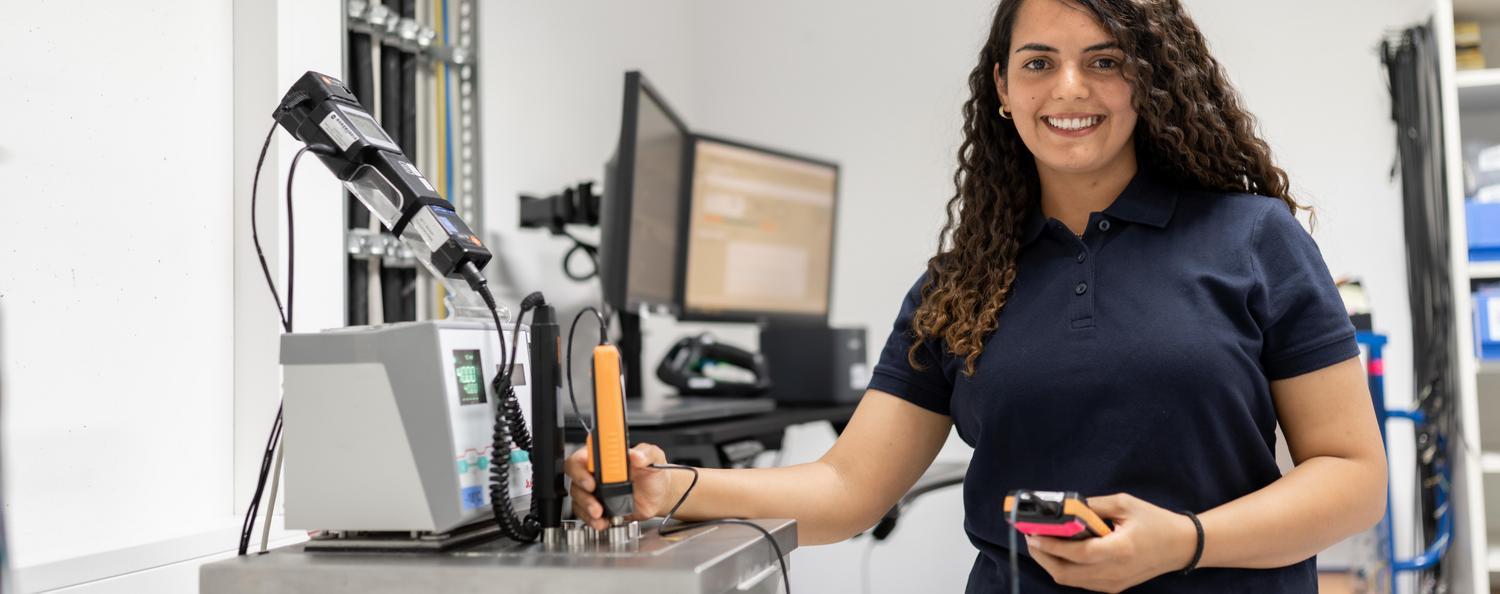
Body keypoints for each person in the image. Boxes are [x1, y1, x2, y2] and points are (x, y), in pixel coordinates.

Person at [567, 0, 1388, 591]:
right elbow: (848, 490)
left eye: (1105, 60)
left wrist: (1186, 542)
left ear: (1149, 80)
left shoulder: (1251, 238)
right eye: (1039, 62)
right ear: (1002, 87)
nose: (1070, 89)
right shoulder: (960, 285)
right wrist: (671, 488)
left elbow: (1352, 477)